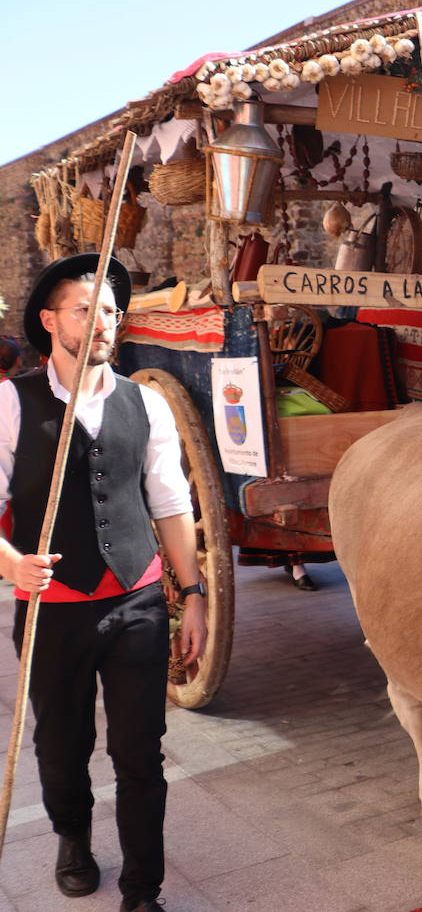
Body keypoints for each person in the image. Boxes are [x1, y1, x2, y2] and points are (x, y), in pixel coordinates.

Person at [0, 254, 206, 912]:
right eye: (86, 309)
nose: (103, 322)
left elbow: (171, 505)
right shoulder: (11, 403)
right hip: (50, 613)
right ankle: (73, 838)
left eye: (112, 311)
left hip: (138, 604)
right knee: (61, 749)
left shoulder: (146, 402)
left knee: (141, 753)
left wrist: (193, 594)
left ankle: (145, 890)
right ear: (50, 319)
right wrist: (8, 564)